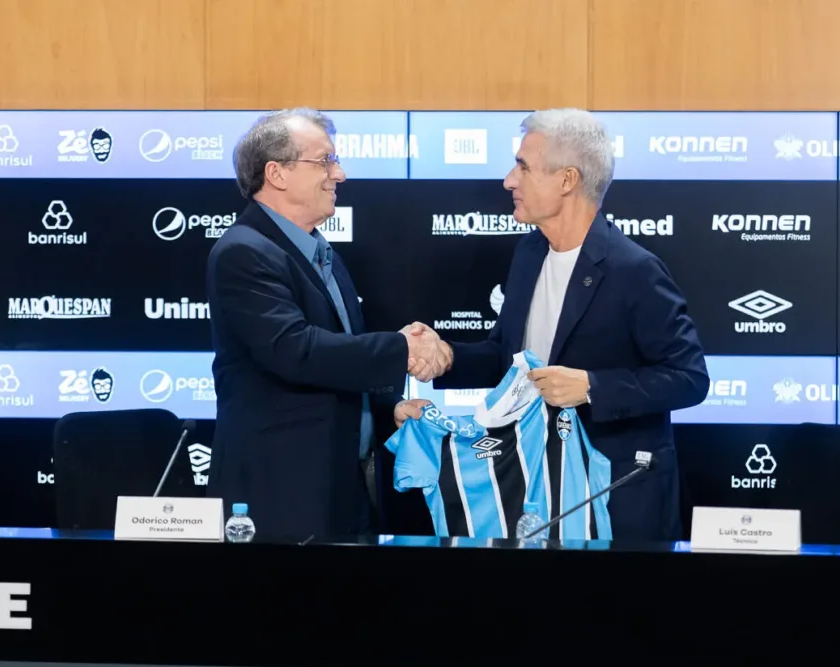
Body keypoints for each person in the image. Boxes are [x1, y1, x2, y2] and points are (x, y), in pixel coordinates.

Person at [404, 108, 710, 543]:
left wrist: (592, 387)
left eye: (523, 167)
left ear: (567, 180)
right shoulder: (530, 253)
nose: (509, 181)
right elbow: (508, 358)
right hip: (535, 488)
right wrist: (447, 357)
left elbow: (689, 379)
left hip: (614, 496)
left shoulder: (634, 270)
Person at [205, 108, 448, 542]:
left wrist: (386, 409)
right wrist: (402, 348)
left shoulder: (321, 254)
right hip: (281, 495)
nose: (340, 173)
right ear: (277, 173)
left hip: (342, 487)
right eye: (325, 161)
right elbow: (295, 350)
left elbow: (339, 360)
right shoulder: (244, 252)